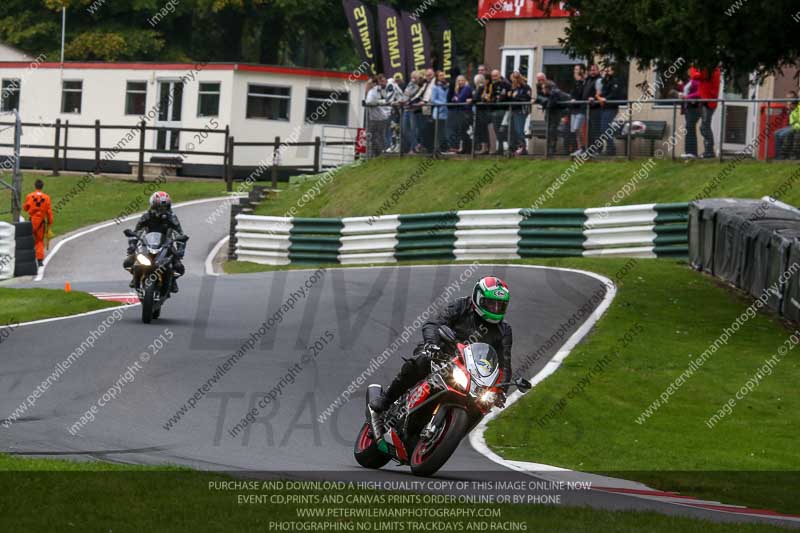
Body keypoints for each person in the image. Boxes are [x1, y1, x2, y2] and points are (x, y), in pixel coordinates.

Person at [369, 276, 513, 413]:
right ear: (478, 298)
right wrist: (432, 344)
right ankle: (387, 398)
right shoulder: (461, 305)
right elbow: (433, 324)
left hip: (472, 372)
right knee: (422, 361)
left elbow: (504, 364)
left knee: (481, 405)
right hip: (441, 353)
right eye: (490, 303)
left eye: (499, 305)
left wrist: (501, 391)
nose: (495, 308)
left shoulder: (504, 330)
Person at [123, 191, 186, 293]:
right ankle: (136, 277)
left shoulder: (172, 218)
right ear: (153, 205)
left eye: (165, 207)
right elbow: (137, 231)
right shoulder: (146, 216)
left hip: (166, 245)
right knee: (127, 263)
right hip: (147, 244)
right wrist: (132, 245)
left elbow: (179, 234)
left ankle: (172, 280)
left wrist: (180, 250)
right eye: (159, 207)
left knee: (179, 268)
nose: (162, 209)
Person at [22, 179, 53, 267]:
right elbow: (49, 212)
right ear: (42, 187)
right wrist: (50, 222)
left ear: (35, 186)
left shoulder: (30, 196)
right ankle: (39, 260)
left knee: (29, 239)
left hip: (32, 220)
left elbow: (25, 208)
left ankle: (28, 258)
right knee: (39, 241)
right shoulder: (46, 197)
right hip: (41, 222)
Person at [597, 65, 624, 156]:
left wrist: (605, 98)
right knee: (603, 129)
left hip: (611, 107)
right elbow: (603, 92)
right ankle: (609, 148)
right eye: (605, 70)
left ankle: (611, 149)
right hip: (605, 107)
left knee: (605, 129)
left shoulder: (615, 81)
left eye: (608, 70)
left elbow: (614, 93)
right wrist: (600, 97)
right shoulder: (605, 81)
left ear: (613, 71)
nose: (606, 72)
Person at [696, 66, 721, 158]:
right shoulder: (711, 70)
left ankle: (709, 151)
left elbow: (694, 75)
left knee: (705, 126)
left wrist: (693, 67)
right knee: (703, 127)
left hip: (709, 102)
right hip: (706, 100)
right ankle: (708, 150)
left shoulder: (712, 70)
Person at [540, 81, 571, 156]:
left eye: (543, 88)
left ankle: (552, 149)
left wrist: (545, 104)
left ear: (547, 88)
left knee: (552, 131)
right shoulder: (552, 93)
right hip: (556, 114)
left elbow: (551, 105)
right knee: (551, 131)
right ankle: (551, 149)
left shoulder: (554, 93)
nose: (542, 90)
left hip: (559, 114)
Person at [486, 70, 511, 155]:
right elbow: (489, 96)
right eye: (493, 76)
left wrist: (498, 98)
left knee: (503, 130)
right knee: (496, 130)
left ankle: (510, 148)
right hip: (494, 110)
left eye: (496, 76)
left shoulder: (506, 84)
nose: (494, 78)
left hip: (503, 110)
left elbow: (505, 97)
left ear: (499, 75)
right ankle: (500, 149)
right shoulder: (491, 85)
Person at [365, 75, 391, 158]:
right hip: (376, 117)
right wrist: (380, 102)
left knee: (380, 136)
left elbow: (370, 102)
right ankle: (377, 154)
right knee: (375, 136)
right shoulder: (373, 91)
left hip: (381, 117)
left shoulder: (381, 90)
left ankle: (382, 153)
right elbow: (369, 101)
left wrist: (379, 102)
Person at [680, 69, 702, 159]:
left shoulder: (696, 81)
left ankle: (692, 152)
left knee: (690, 127)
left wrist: (686, 97)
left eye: (690, 70)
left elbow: (699, 93)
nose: (688, 71)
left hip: (694, 107)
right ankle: (689, 152)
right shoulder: (690, 81)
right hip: (688, 108)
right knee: (689, 128)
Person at [509, 71, 532, 156]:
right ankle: (518, 147)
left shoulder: (526, 87)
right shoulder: (513, 88)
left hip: (522, 110)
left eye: (515, 79)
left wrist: (516, 97)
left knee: (519, 129)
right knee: (515, 130)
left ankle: (523, 148)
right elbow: (510, 97)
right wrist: (513, 97)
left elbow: (527, 98)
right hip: (514, 110)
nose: (513, 81)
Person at [450, 75, 473, 154]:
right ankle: (464, 148)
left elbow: (460, 99)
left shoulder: (467, 88)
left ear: (465, 80)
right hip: (460, 112)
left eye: (462, 80)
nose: (460, 82)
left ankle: (468, 149)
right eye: (459, 81)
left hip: (465, 112)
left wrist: (457, 99)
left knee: (465, 131)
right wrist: (456, 99)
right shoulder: (457, 89)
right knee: (461, 131)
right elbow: (452, 99)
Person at [399, 71, 421, 154]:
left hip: (412, 110)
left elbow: (410, 94)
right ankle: (416, 144)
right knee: (404, 129)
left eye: (415, 77)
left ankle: (413, 148)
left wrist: (412, 84)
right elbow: (405, 94)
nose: (412, 79)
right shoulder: (409, 85)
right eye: (412, 77)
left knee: (413, 129)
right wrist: (401, 101)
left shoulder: (417, 86)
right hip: (405, 109)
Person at [568, 64, 587, 156]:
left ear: (581, 71)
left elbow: (582, 94)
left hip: (581, 109)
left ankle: (584, 148)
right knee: (574, 130)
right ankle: (580, 148)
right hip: (574, 109)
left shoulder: (583, 82)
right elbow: (572, 94)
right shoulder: (574, 82)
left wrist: (576, 100)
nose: (575, 71)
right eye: (574, 69)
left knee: (577, 128)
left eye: (577, 69)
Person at [583, 64, 602, 150]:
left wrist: (594, 98)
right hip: (588, 108)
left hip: (596, 108)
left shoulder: (599, 80)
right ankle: (590, 148)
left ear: (598, 71)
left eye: (594, 70)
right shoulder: (588, 80)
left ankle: (598, 149)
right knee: (589, 130)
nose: (592, 72)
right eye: (591, 70)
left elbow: (600, 93)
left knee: (596, 130)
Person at [774, 91, 798, 160]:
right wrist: (788, 109)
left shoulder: (797, 105)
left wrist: (792, 108)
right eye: (787, 98)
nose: (788, 100)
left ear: (795, 98)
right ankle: (778, 157)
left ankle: (783, 156)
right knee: (776, 133)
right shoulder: (789, 106)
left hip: (796, 126)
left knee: (782, 135)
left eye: (790, 98)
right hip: (791, 126)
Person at [432, 71, 449, 153]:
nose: (442, 77)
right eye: (440, 75)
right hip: (438, 112)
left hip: (445, 112)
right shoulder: (435, 87)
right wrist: (443, 104)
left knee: (443, 131)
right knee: (438, 132)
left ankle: (443, 148)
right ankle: (436, 149)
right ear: (437, 77)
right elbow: (433, 100)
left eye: (443, 75)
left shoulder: (446, 86)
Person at [472, 74, 490, 154]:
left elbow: (475, 98)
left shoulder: (481, 87)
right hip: (480, 112)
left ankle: (484, 148)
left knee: (483, 130)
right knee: (480, 130)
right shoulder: (479, 88)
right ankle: (482, 147)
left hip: (482, 112)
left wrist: (471, 100)